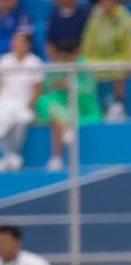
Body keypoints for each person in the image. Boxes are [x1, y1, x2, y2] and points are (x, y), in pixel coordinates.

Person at [35, 38, 102, 172]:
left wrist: (70, 85)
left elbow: (89, 89)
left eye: (68, 57)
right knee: (46, 102)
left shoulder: (84, 65)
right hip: (61, 103)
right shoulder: (58, 64)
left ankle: (57, 157)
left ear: (75, 54)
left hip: (82, 106)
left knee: (56, 119)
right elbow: (48, 85)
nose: (65, 59)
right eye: (63, 57)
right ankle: (65, 131)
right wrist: (56, 85)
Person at [81, 0, 131, 121]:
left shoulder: (125, 17)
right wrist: (84, 56)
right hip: (98, 58)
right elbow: (88, 42)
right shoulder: (96, 18)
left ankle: (119, 104)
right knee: (82, 64)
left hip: (120, 56)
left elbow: (130, 43)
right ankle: (91, 107)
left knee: (119, 65)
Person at [0, 31, 41, 172]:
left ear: (28, 45)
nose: (16, 45)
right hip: (5, 102)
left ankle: (10, 156)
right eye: (14, 41)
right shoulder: (5, 60)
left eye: (20, 42)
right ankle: (12, 156)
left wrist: (30, 106)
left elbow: (37, 89)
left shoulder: (34, 62)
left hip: (24, 103)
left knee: (21, 120)